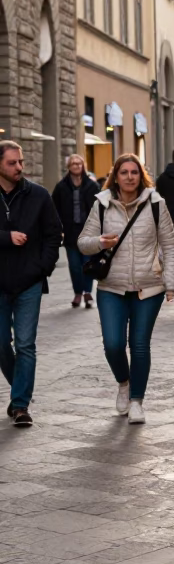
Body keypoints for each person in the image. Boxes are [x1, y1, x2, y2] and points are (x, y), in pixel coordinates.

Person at [77, 154, 174, 424]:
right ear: (116, 176)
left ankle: (137, 401)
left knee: (140, 345)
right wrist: (100, 242)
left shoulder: (156, 203)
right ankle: (124, 382)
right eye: (124, 172)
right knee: (113, 345)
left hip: (149, 287)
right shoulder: (102, 203)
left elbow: (169, 245)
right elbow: (82, 243)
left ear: (141, 175)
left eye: (135, 172)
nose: (130, 177)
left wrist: (170, 283)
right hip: (112, 287)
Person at [0, 141, 62, 427]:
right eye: (12, 163)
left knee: (26, 344)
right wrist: (6, 236)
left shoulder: (38, 195)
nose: (19, 167)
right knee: (2, 344)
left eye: (20, 162)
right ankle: (19, 388)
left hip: (29, 282)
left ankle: (21, 404)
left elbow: (53, 233)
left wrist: (42, 268)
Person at [51, 154, 99, 308]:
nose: (77, 166)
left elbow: (100, 208)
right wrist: (58, 229)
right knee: (74, 266)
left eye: (79, 163)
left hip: (89, 231)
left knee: (87, 263)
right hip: (70, 232)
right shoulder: (61, 187)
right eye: (73, 164)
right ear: (69, 167)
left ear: (83, 166)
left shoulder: (92, 186)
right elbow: (54, 209)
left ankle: (87, 292)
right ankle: (78, 292)